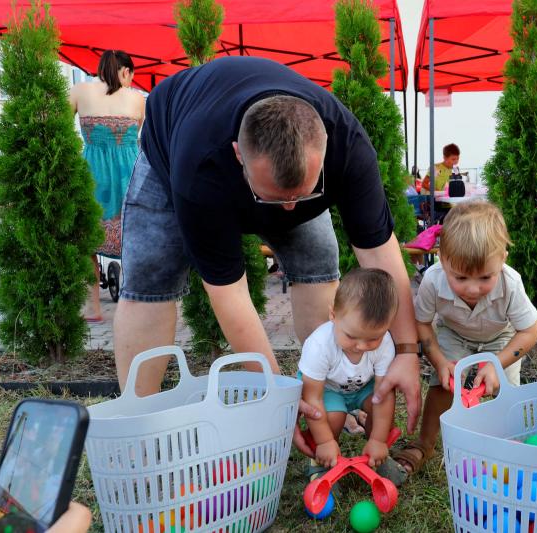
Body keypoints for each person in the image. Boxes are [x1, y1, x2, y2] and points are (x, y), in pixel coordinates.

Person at [113, 56, 421, 457]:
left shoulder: (347, 145)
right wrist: (277, 398)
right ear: (239, 154)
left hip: (273, 165)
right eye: (276, 198)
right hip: (172, 144)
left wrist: (408, 352)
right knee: (150, 276)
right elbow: (229, 294)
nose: (289, 209)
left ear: (322, 153)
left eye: (302, 194)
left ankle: (329, 398)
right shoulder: (200, 167)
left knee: (318, 262)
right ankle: (138, 425)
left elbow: (381, 256)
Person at [392, 201, 537, 474]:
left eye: (485, 277)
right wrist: (439, 361)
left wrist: (496, 364)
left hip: (502, 338)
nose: (473, 289)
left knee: (506, 394)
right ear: (442, 259)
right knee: (443, 385)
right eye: (460, 278)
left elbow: (529, 332)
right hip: (454, 334)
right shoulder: (433, 280)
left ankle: (507, 448)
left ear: (502, 259)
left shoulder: (511, 283)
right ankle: (425, 443)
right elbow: (422, 323)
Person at [298, 268, 406, 485]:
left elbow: (383, 393)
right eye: (351, 336)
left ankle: (377, 453)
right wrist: (325, 441)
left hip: (363, 387)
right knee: (334, 417)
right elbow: (312, 398)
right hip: (327, 389)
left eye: (373, 339)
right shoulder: (319, 345)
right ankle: (322, 461)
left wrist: (379, 439)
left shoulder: (385, 343)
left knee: (382, 410)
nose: (361, 346)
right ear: (333, 315)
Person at [69, 50, 144, 323]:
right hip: (129, 173)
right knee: (133, 239)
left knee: (86, 240)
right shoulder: (137, 98)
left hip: (92, 171)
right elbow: (136, 134)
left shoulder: (79, 91)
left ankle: (92, 309)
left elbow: (59, 130)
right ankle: (132, 305)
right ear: (125, 71)